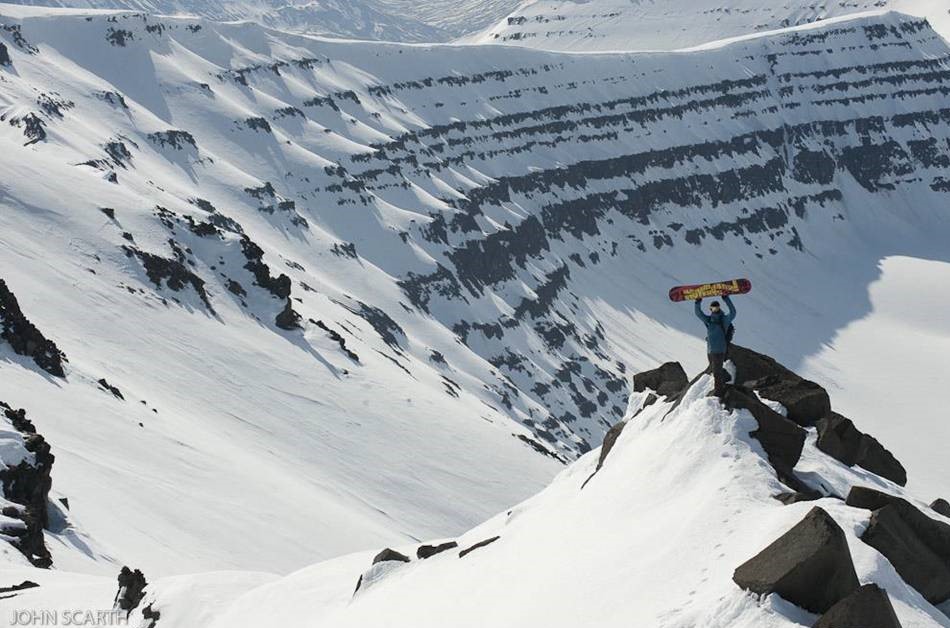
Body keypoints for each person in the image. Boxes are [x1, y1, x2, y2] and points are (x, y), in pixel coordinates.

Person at [694, 294, 736, 396]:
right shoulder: (709, 321)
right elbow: (699, 314)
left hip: (720, 350)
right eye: (713, 307)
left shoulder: (724, 320)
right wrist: (697, 302)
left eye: (717, 306)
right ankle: (726, 378)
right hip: (710, 350)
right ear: (710, 309)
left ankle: (719, 392)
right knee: (715, 370)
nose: (715, 308)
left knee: (716, 372)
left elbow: (733, 313)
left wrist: (726, 298)